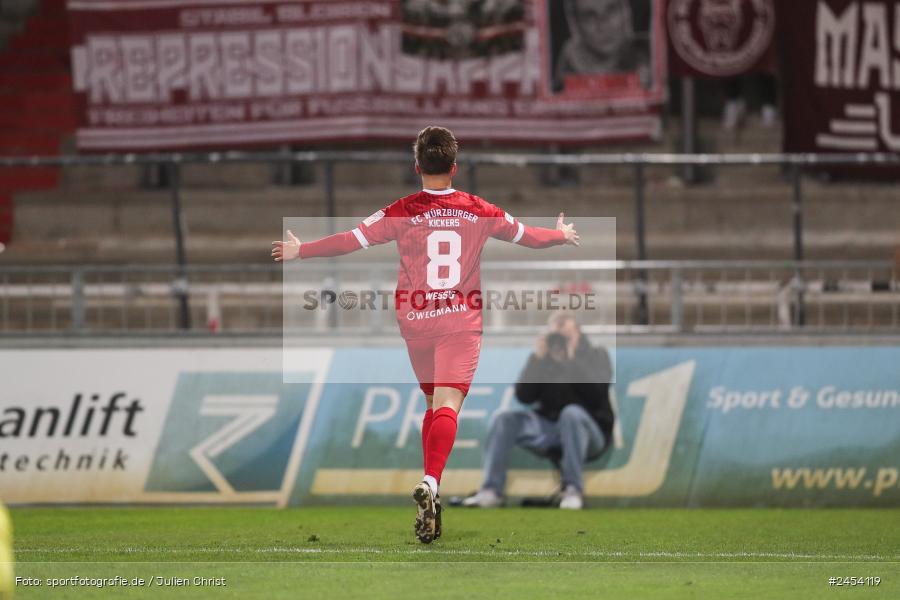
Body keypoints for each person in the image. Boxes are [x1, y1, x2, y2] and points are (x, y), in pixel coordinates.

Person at [272, 126, 580, 543]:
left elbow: (350, 241)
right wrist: (561, 236)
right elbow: (528, 237)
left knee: (433, 402)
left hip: (415, 323)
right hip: (459, 322)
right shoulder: (478, 208)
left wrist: (302, 249)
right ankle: (432, 481)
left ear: (417, 166)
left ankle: (431, 491)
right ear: (454, 167)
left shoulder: (402, 209)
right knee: (448, 404)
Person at [463, 313, 614, 509]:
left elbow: (598, 394)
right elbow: (524, 396)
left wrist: (571, 360)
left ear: (578, 333)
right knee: (504, 418)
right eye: (555, 336)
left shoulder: (597, 355)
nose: (560, 342)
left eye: (566, 337)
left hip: (590, 433)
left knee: (571, 413)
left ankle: (573, 490)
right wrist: (537, 359)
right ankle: (491, 491)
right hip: (551, 429)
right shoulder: (544, 360)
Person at [554, 0, 650, 91]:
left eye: (611, 10)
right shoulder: (566, 68)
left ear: (626, 12)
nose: (603, 25)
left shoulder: (651, 53)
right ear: (575, 25)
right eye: (590, 17)